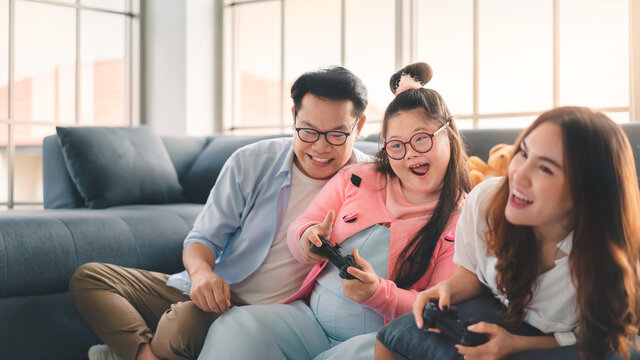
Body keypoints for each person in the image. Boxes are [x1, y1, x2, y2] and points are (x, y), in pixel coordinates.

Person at [68, 66, 371, 360]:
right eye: (308, 131)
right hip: (215, 289)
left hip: (270, 317)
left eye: (336, 135)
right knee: (90, 278)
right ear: (293, 118)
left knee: (181, 324)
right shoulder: (251, 162)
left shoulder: (375, 180)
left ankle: (128, 351)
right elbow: (202, 239)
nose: (320, 147)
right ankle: (146, 355)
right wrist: (201, 276)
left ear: (358, 127)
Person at [197, 62, 471, 360]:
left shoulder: (463, 218)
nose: (410, 154)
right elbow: (303, 223)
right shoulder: (357, 176)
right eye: (396, 145)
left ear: (449, 133)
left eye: (421, 138)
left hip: (373, 341)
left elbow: (436, 306)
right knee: (239, 324)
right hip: (308, 324)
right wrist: (306, 238)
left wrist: (379, 294)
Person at [375, 106, 640, 360]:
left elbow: (606, 336)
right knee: (390, 339)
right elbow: (472, 272)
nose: (518, 175)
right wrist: (445, 289)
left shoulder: (612, 263)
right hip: (500, 313)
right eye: (523, 154)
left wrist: (518, 345)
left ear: (588, 192)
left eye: (546, 168)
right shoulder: (485, 202)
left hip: (575, 341)